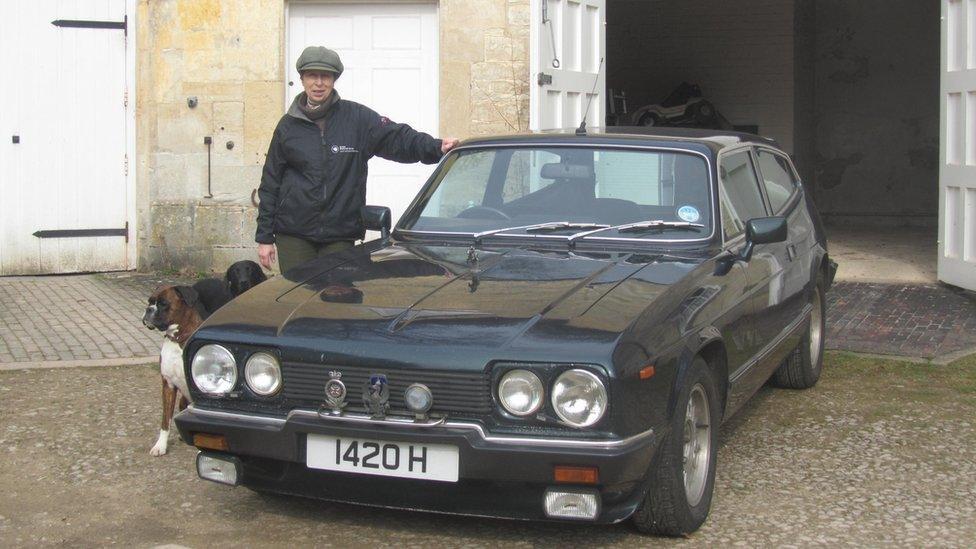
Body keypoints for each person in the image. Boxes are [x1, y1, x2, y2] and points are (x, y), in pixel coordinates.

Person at [256, 46, 459, 273]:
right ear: (302, 79)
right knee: (297, 299)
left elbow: (397, 138)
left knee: (339, 302)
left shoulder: (357, 119)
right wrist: (264, 237)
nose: (319, 83)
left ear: (334, 79)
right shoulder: (287, 126)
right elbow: (271, 182)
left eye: (326, 76)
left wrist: (435, 147)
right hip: (294, 235)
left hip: (340, 233)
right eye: (312, 75)